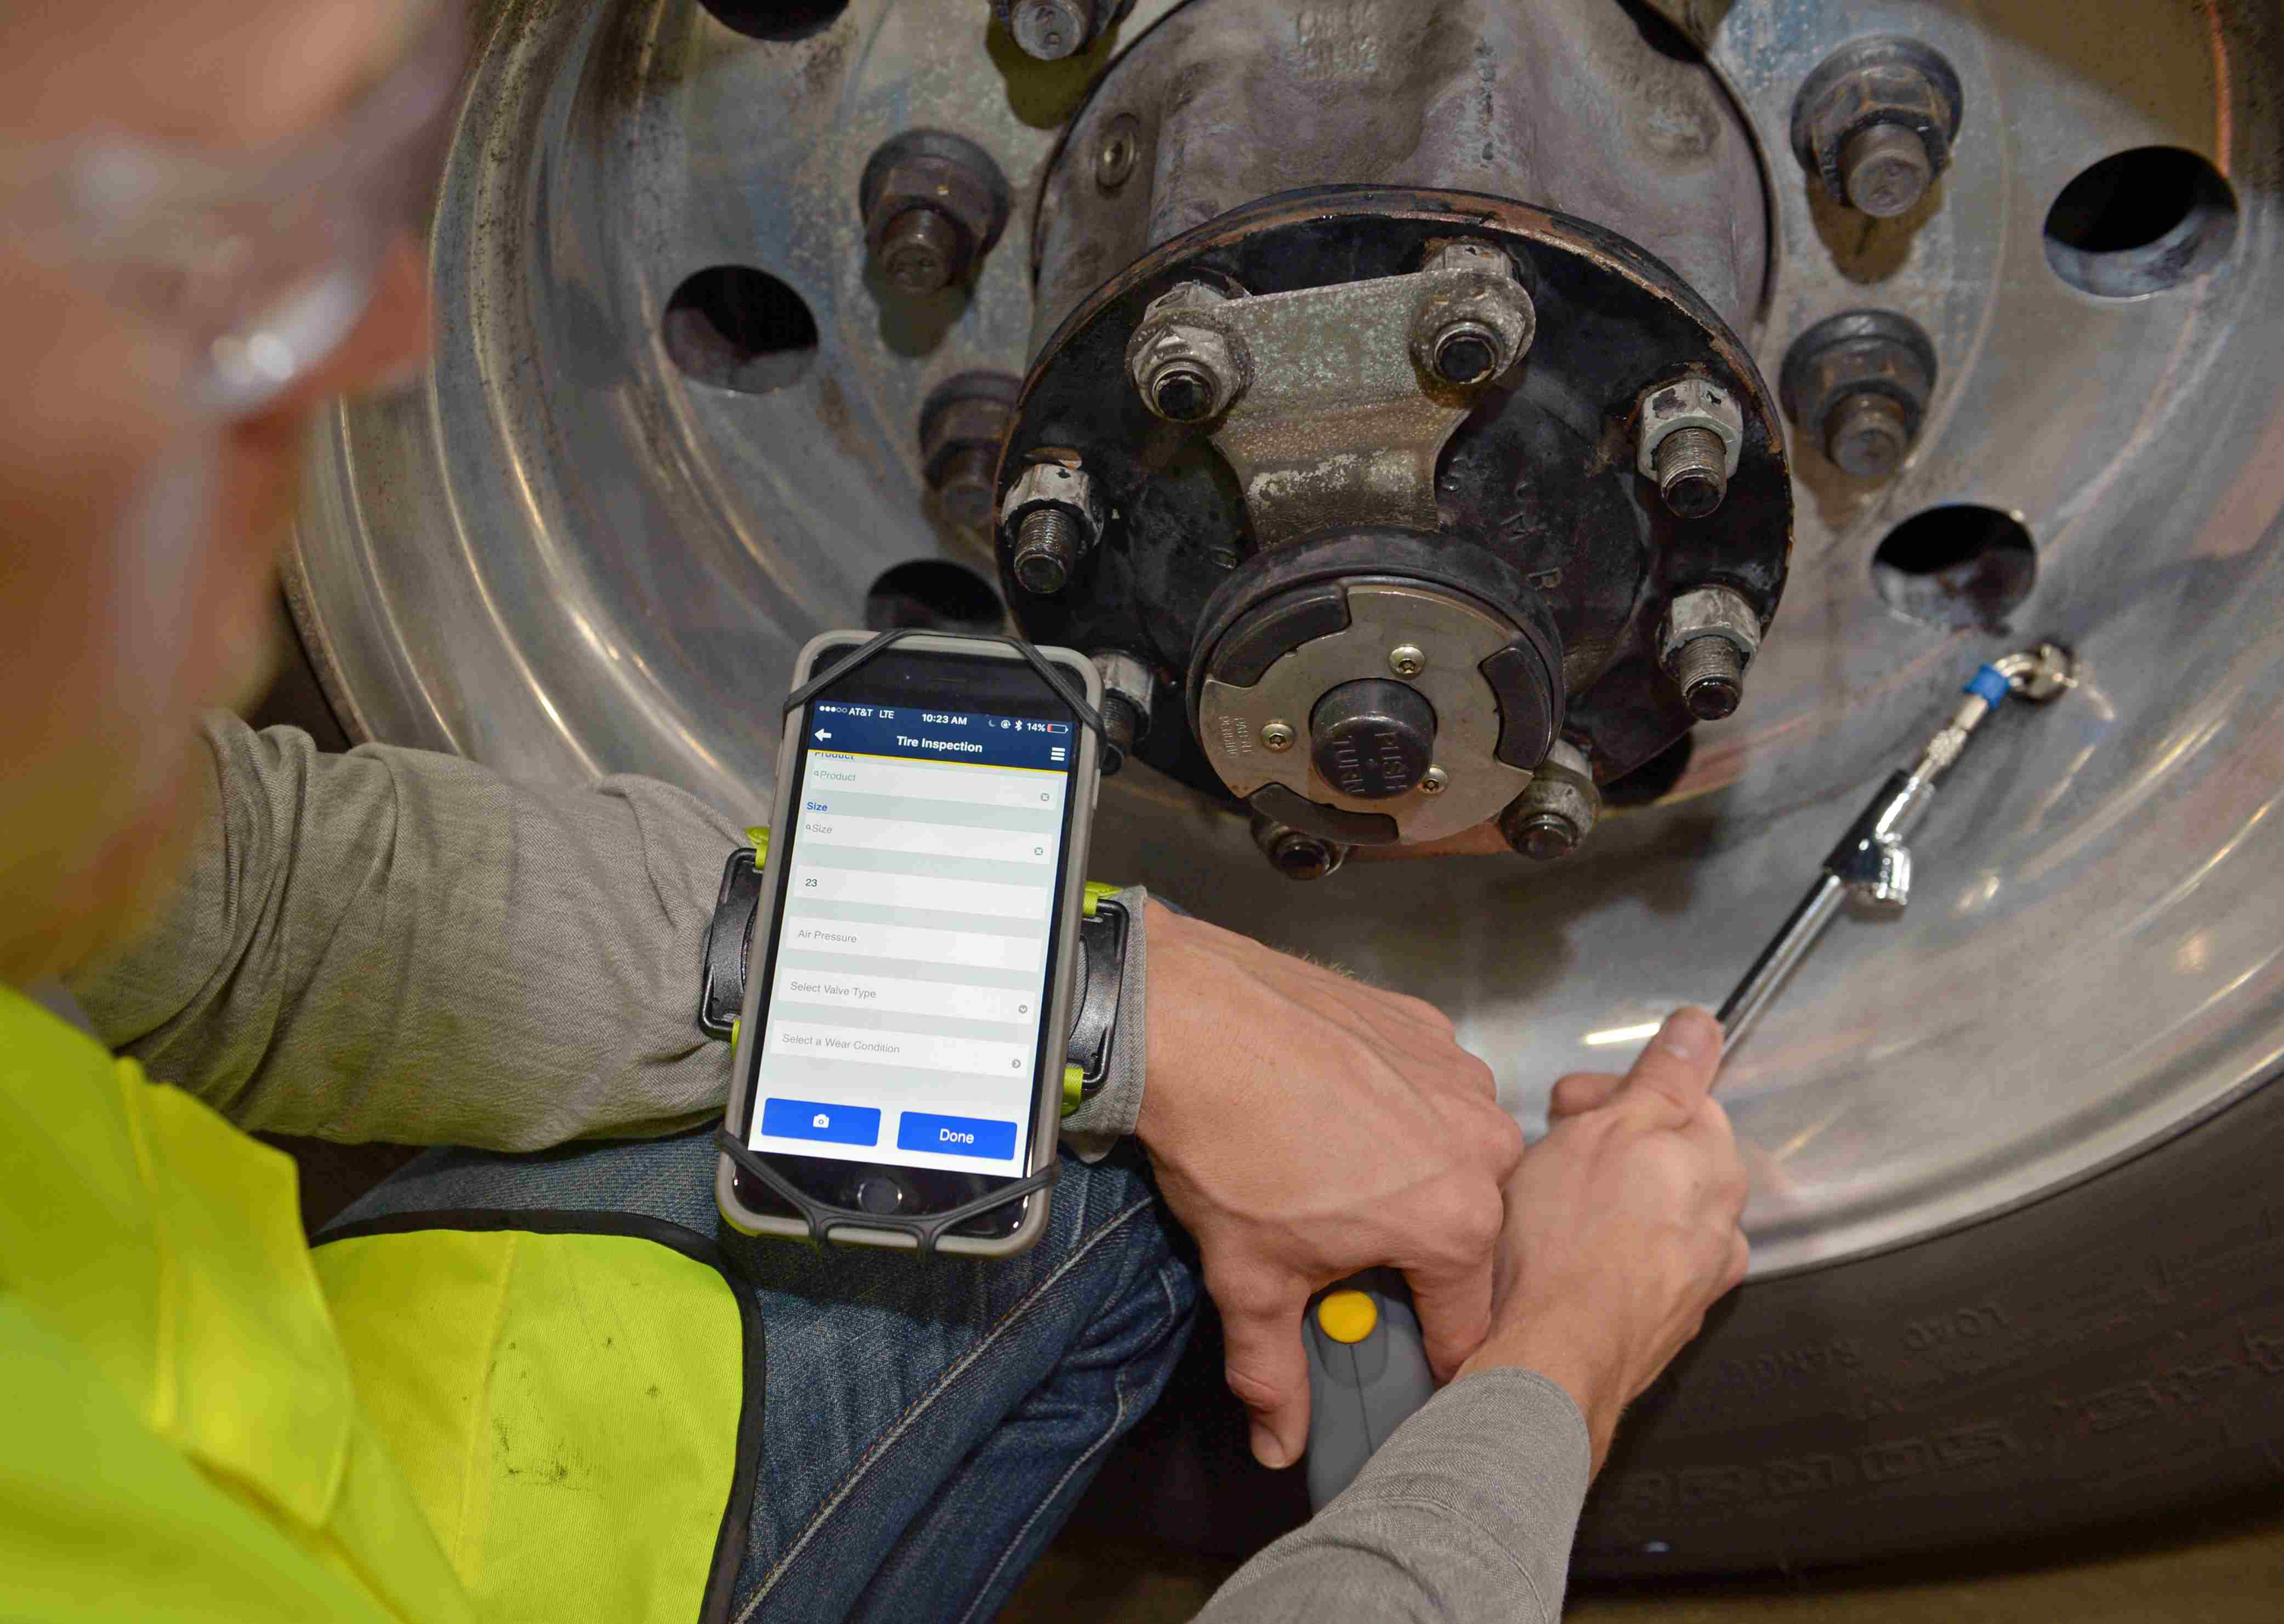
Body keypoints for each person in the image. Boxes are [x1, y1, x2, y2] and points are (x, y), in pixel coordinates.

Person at [0, 1, 1749, 1619]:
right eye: (231, 258)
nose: (392, 326)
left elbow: (258, 912)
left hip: (358, 1463)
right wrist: (1563, 1367)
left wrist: (1117, 1013)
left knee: (1060, 1135)